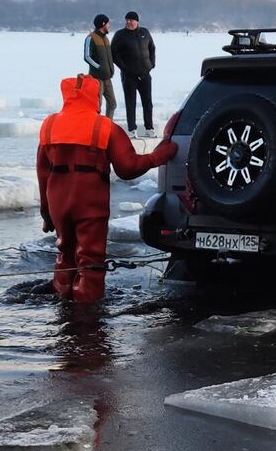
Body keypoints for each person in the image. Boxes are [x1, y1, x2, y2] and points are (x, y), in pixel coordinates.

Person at [36, 75, 176, 303]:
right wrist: (157, 157)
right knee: (90, 259)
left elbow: (43, 172)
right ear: (95, 97)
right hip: (89, 200)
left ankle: (61, 302)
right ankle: (87, 316)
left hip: (58, 200)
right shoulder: (104, 127)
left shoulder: (50, 124)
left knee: (65, 253)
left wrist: (46, 212)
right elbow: (127, 168)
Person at [111, 10, 157, 137]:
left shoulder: (144, 32)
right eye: (127, 20)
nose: (128, 22)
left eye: (131, 20)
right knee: (130, 102)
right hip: (129, 75)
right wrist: (124, 68)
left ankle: (149, 128)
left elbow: (152, 48)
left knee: (147, 102)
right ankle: (132, 129)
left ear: (137, 21)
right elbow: (114, 53)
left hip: (145, 74)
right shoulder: (120, 35)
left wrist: (151, 64)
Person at [82, 14, 117, 118]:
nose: (109, 25)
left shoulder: (106, 38)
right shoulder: (90, 38)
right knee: (97, 106)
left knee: (112, 104)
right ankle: (94, 128)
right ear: (103, 24)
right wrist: (99, 67)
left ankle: (107, 126)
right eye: (108, 23)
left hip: (107, 78)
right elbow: (87, 57)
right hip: (96, 78)